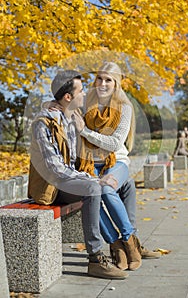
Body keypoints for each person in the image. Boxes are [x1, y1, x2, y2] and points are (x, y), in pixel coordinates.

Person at [28, 69, 128, 280]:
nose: (85, 94)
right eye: (81, 91)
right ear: (68, 97)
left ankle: (125, 242)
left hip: (67, 182)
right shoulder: (44, 124)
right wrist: (93, 179)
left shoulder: (72, 117)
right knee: (93, 188)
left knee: (103, 187)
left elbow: (73, 162)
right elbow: (55, 169)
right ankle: (95, 259)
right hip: (50, 187)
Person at [73, 62, 161, 270]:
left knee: (105, 188)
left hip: (117, 161)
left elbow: (113, 143)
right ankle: (116, 245)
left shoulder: (124, 107)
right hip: (89, 163)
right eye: (99, 78)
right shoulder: (86, 102)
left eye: (108, 80)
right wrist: (49, 105)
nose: (103, 83)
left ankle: (130, 241)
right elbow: (64, 100)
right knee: (91, 195)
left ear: (116, 83)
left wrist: (84, 131)